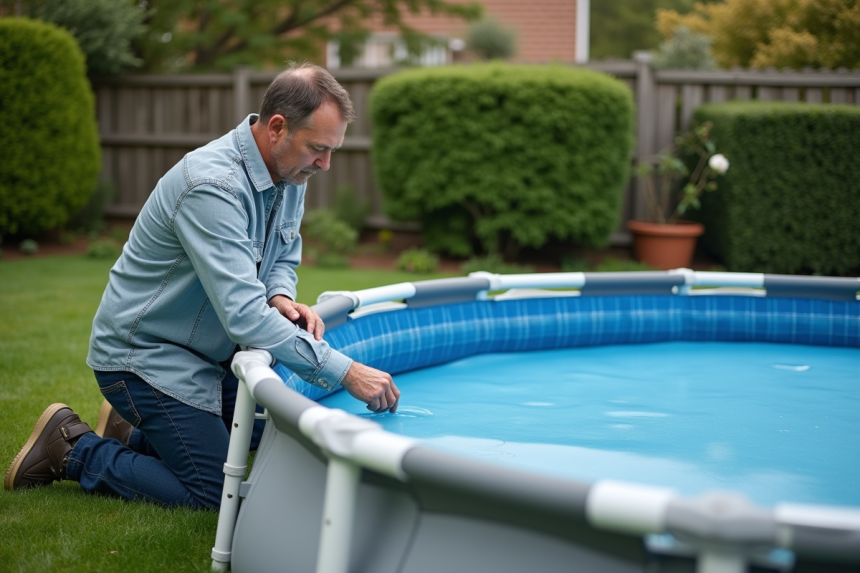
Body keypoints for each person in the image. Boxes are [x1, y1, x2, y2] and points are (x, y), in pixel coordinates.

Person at [4, 63, 400, 507]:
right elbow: (245, 317)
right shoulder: (212, 186)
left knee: (260, 441)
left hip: (210, 354)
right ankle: (72, 447)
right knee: (215, 491)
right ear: (277, 128)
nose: (326, 164)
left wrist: (280, 295)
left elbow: (283, 253)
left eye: (332, 151)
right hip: (145, 357)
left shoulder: (290, 172)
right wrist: (345, 371)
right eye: (318, 149)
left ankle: (134, 433)